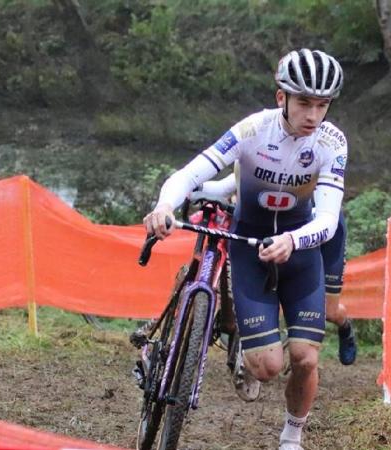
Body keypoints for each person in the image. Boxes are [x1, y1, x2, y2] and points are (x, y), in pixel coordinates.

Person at [144, 48, 346, 450]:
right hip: (248, 244)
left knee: (305, 357)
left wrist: (293, 240)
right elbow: (192, 171)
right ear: (281, 98)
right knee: (268, 368)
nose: (313, 115)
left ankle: (292, 436)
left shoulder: (332, 142)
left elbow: (327, 219)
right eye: (304, 102)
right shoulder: (253, 130)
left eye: (322, 105)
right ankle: (245, 350)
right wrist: (164, 205)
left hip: (300, 248)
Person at [198, 174, 357, 365]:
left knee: (329, 312)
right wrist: (192, 184)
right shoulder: (265, 162)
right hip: (280, 238)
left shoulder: (317, 162)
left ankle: (344, 325)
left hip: (327, 233)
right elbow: (229, 182)